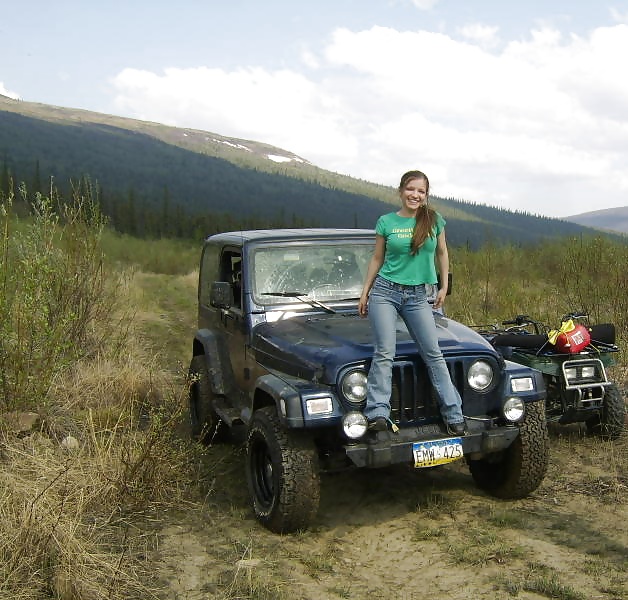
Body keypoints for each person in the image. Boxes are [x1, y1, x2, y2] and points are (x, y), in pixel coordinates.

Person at [358, 170, 466, 435]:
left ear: (426, 195)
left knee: (433, 353)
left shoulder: (434, 220)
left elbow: (442, 253)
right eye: (411, 189)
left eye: (421, 191)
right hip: (385, 292)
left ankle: (453, 414)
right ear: (401, 190)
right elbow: (377, 258)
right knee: (384, 352)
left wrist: (444, 285)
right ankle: (378, 414)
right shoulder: (386, 222)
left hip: (418, 296)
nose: (415, 195)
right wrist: (365, 292)